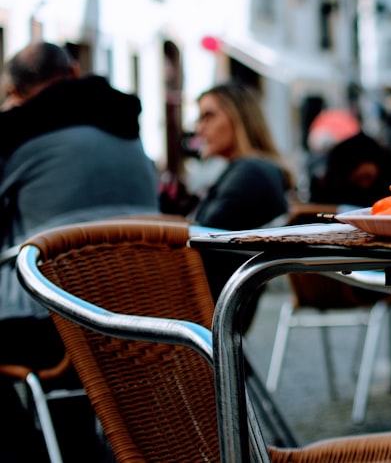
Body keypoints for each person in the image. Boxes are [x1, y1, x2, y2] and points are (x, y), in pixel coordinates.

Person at [0, 41, 159, 462]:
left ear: (15, 93)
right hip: (144, 316)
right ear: (72, 72)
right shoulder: (126, 130)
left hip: (56, 325)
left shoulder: (15, 136)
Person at [189, 82, 292, 308]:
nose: (199, 128)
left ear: (238, 118)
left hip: (210, 300)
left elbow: (206, 235)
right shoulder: (250, 168)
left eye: (209, 116)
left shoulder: (251, 170)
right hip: (222, 297)